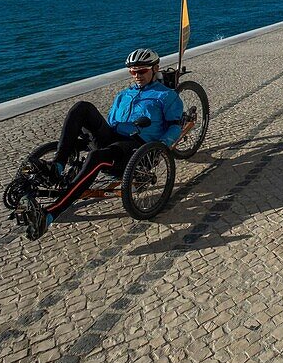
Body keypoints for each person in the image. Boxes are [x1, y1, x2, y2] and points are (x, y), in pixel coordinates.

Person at [14, 48, 184, 240]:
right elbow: (110, 123)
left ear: (155, 68)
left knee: (97, 157)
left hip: (136, 147)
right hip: (113, 137)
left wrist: (161, 146)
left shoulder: (166, 96)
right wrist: (82, 139)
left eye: (142, 71)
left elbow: (175, 126)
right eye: (132, 71)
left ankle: (49, 214)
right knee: (81, 108)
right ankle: (57, 166)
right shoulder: (123, 95)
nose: (137, 76)